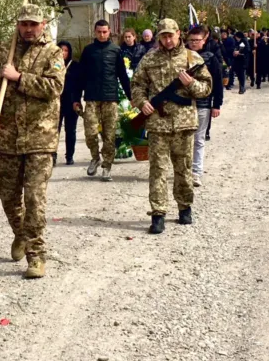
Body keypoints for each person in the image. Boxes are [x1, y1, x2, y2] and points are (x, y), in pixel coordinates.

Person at [0, 4, 64, 279]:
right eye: (23, 24)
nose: (28, 29)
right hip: (9, 136)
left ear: (42, 24)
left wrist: (19, 78)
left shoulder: (52, 52)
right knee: (6, 194)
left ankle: (36, 255)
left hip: (40, 137)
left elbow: (55, 87)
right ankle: (21, 234)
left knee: (34, 197)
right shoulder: (6, 50)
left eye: (33, 24)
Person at [132, 19, 212, 234]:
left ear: (179, 34)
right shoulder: (149, 59)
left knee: (183, 168)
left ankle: (185, 207)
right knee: (157, 170)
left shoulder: (192, 58)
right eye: (163, 36)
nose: (167, 40)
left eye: (171, 35)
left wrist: (190, 84)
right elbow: (137, 85)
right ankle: (158, 213)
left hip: (184, 123)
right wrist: (142, 103)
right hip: (158, 124)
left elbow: (206, 88)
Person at [76, 19, 132, 182]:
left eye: (104, 32)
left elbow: (122, 76)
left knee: (110, 135)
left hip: (110, 99)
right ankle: (95, 157)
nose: (102, 34)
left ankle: (107, 167)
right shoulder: (88, 51)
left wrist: (131, 98)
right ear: (95, 32)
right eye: (99, 32)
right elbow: (81, 77)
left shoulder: (116, 50)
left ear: (109, 33)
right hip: (92, 98)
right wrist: (76, 98)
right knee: (90, 133)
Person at [186, 26, 222, 188]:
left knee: (199, 140)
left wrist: (217, 104)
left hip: (203, 104)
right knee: (184, 140)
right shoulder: (182, 57)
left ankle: (196, 172)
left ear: (204, 40)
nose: (194, 43)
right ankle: (184, 171)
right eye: (191, 40)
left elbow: (218, 83)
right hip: (184, 104)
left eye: (197, 40)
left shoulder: (211, 58)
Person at [57, 40, 82, 165]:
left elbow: (79, 85)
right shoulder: (52, 65)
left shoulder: (75, 66)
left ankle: (69, 156)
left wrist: (77, 100)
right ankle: (52, 155)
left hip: (72, 102)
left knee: (70, 129)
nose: (63, 53)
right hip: (56, 102)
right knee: (54, 130)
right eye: (61, 50)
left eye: (66, 50)